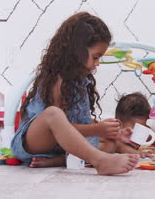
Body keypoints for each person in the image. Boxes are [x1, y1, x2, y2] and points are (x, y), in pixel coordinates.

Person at [11, 12, 139, 175]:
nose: (97, 63)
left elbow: (78, 120)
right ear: (77, 50)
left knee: (110, 144)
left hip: (59, 147)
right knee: (54, 114)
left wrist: (111, 131)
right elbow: (59, 124)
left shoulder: (80, 81)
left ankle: (59, 161)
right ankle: (100, 161)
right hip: (34, 142)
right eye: (95, 57)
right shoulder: (58, 79)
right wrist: (96, 130)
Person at [114, 92, 155, 157]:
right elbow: (121, 148)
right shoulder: (112, 136)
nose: (139, 133)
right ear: (118, 125)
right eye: (135, 130)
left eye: (144, 129)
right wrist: (139, 153)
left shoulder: (142, 133)